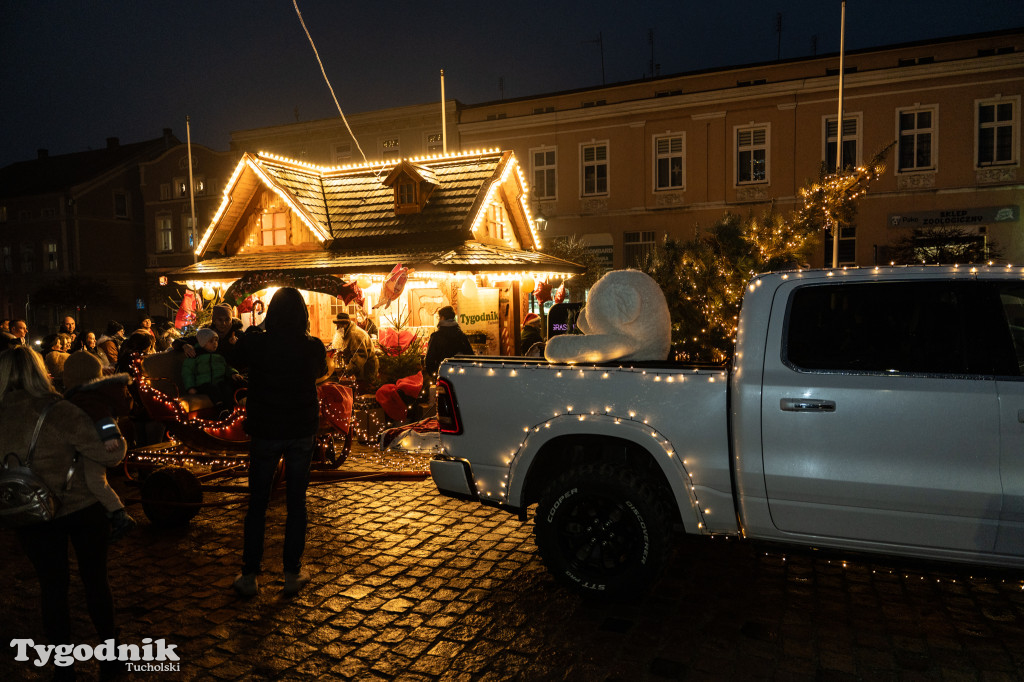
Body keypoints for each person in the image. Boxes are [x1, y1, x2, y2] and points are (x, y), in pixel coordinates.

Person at [0, 346, 126, 681]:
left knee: (52, 587)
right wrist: (115, 435)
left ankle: (62, 663)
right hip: (81, 508)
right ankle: (111, 657)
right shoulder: (59, 410)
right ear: (38, 372)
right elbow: (109, 456)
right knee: (95, 580)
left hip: (29, 512)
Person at [232, 287, 326, 597]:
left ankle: (249, 575)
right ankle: (291, 573)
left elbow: (235, 355)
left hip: (266, 428)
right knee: (296, 502)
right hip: (300, 428)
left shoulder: (257, 342)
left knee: (257, 501)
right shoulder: (312, 346)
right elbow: (321, 372)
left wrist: (260, 327)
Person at [62, 350, 138, 542]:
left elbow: (102, 416)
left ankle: (119, 515)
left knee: (95, 480)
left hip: (98, 441)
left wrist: (109, 435)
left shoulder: (85, 396)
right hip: (94, 441)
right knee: (94, 480)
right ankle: (111, 513)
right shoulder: (96, 391)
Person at [181, 328, 240, 410]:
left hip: (219, 382)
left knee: (226, 388)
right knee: (212, 389)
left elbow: (226, 367)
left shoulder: (219, 355)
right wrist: (190, 387)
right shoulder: (195, 355)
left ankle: (231, 409)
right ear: (203, 343)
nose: (215, 343)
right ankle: (220, 409)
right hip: (203, 384)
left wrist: (233, 373)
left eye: (216, 340)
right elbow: (187, 372)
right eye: (211, 341)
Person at [331, 312, 378, 391]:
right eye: (337, 325)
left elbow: (359, 356)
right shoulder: (347, 332)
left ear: (344, 325)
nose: (337, 327)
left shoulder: (355, 334)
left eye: (339, 325)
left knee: (365, 390)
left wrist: (346, 371)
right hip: (360, 368)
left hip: (366, 369)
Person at [423, 305, 474, 379]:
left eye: (439, 317)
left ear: (443, 318)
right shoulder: (462, 336)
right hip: (460, 376)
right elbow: (470, 357)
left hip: (442, 376)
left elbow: (429, 360)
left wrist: (434, 375)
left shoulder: (436, 336)